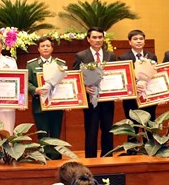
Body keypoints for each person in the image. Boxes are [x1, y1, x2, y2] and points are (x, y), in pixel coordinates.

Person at [73, 27, 117, 158]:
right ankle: (90, 160)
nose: (97, 40)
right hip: (91, 100)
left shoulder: (111, 55)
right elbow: (75, 76)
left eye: (100, 37)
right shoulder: (81, 55)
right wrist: (84, 88)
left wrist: (119, 92)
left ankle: (108, 158)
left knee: (108, 131)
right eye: (94, 37)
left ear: (103, 39)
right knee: (91, 132)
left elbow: (116, 74)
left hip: (108, 101)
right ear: (88, 39)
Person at [26, 36, 67, 160]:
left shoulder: (61, 64)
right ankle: (43, 158)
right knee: (42, 134)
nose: (45, 48)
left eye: (48, 46)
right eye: (42, 46)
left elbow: (67, 84)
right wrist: (35, 90)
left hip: (57, 106)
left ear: (52, 48)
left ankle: (55, 158)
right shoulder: (31, 65)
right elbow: (26, 83)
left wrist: (69, 102)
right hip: (39, 106)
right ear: (38, 49)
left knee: (56, 134)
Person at [119, 29, 157, 141]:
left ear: (144, 42)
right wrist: (135, 86)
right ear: (130, 42)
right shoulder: (123, 58)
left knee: (149, 124)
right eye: (135, 39)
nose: (139, 41)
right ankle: (131, 151)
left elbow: (155, 76)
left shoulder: (152, 57)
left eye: (141, 39)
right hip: (132, 98)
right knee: (132, 126)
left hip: (148, 97)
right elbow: (123, 78)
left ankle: (149, 150)